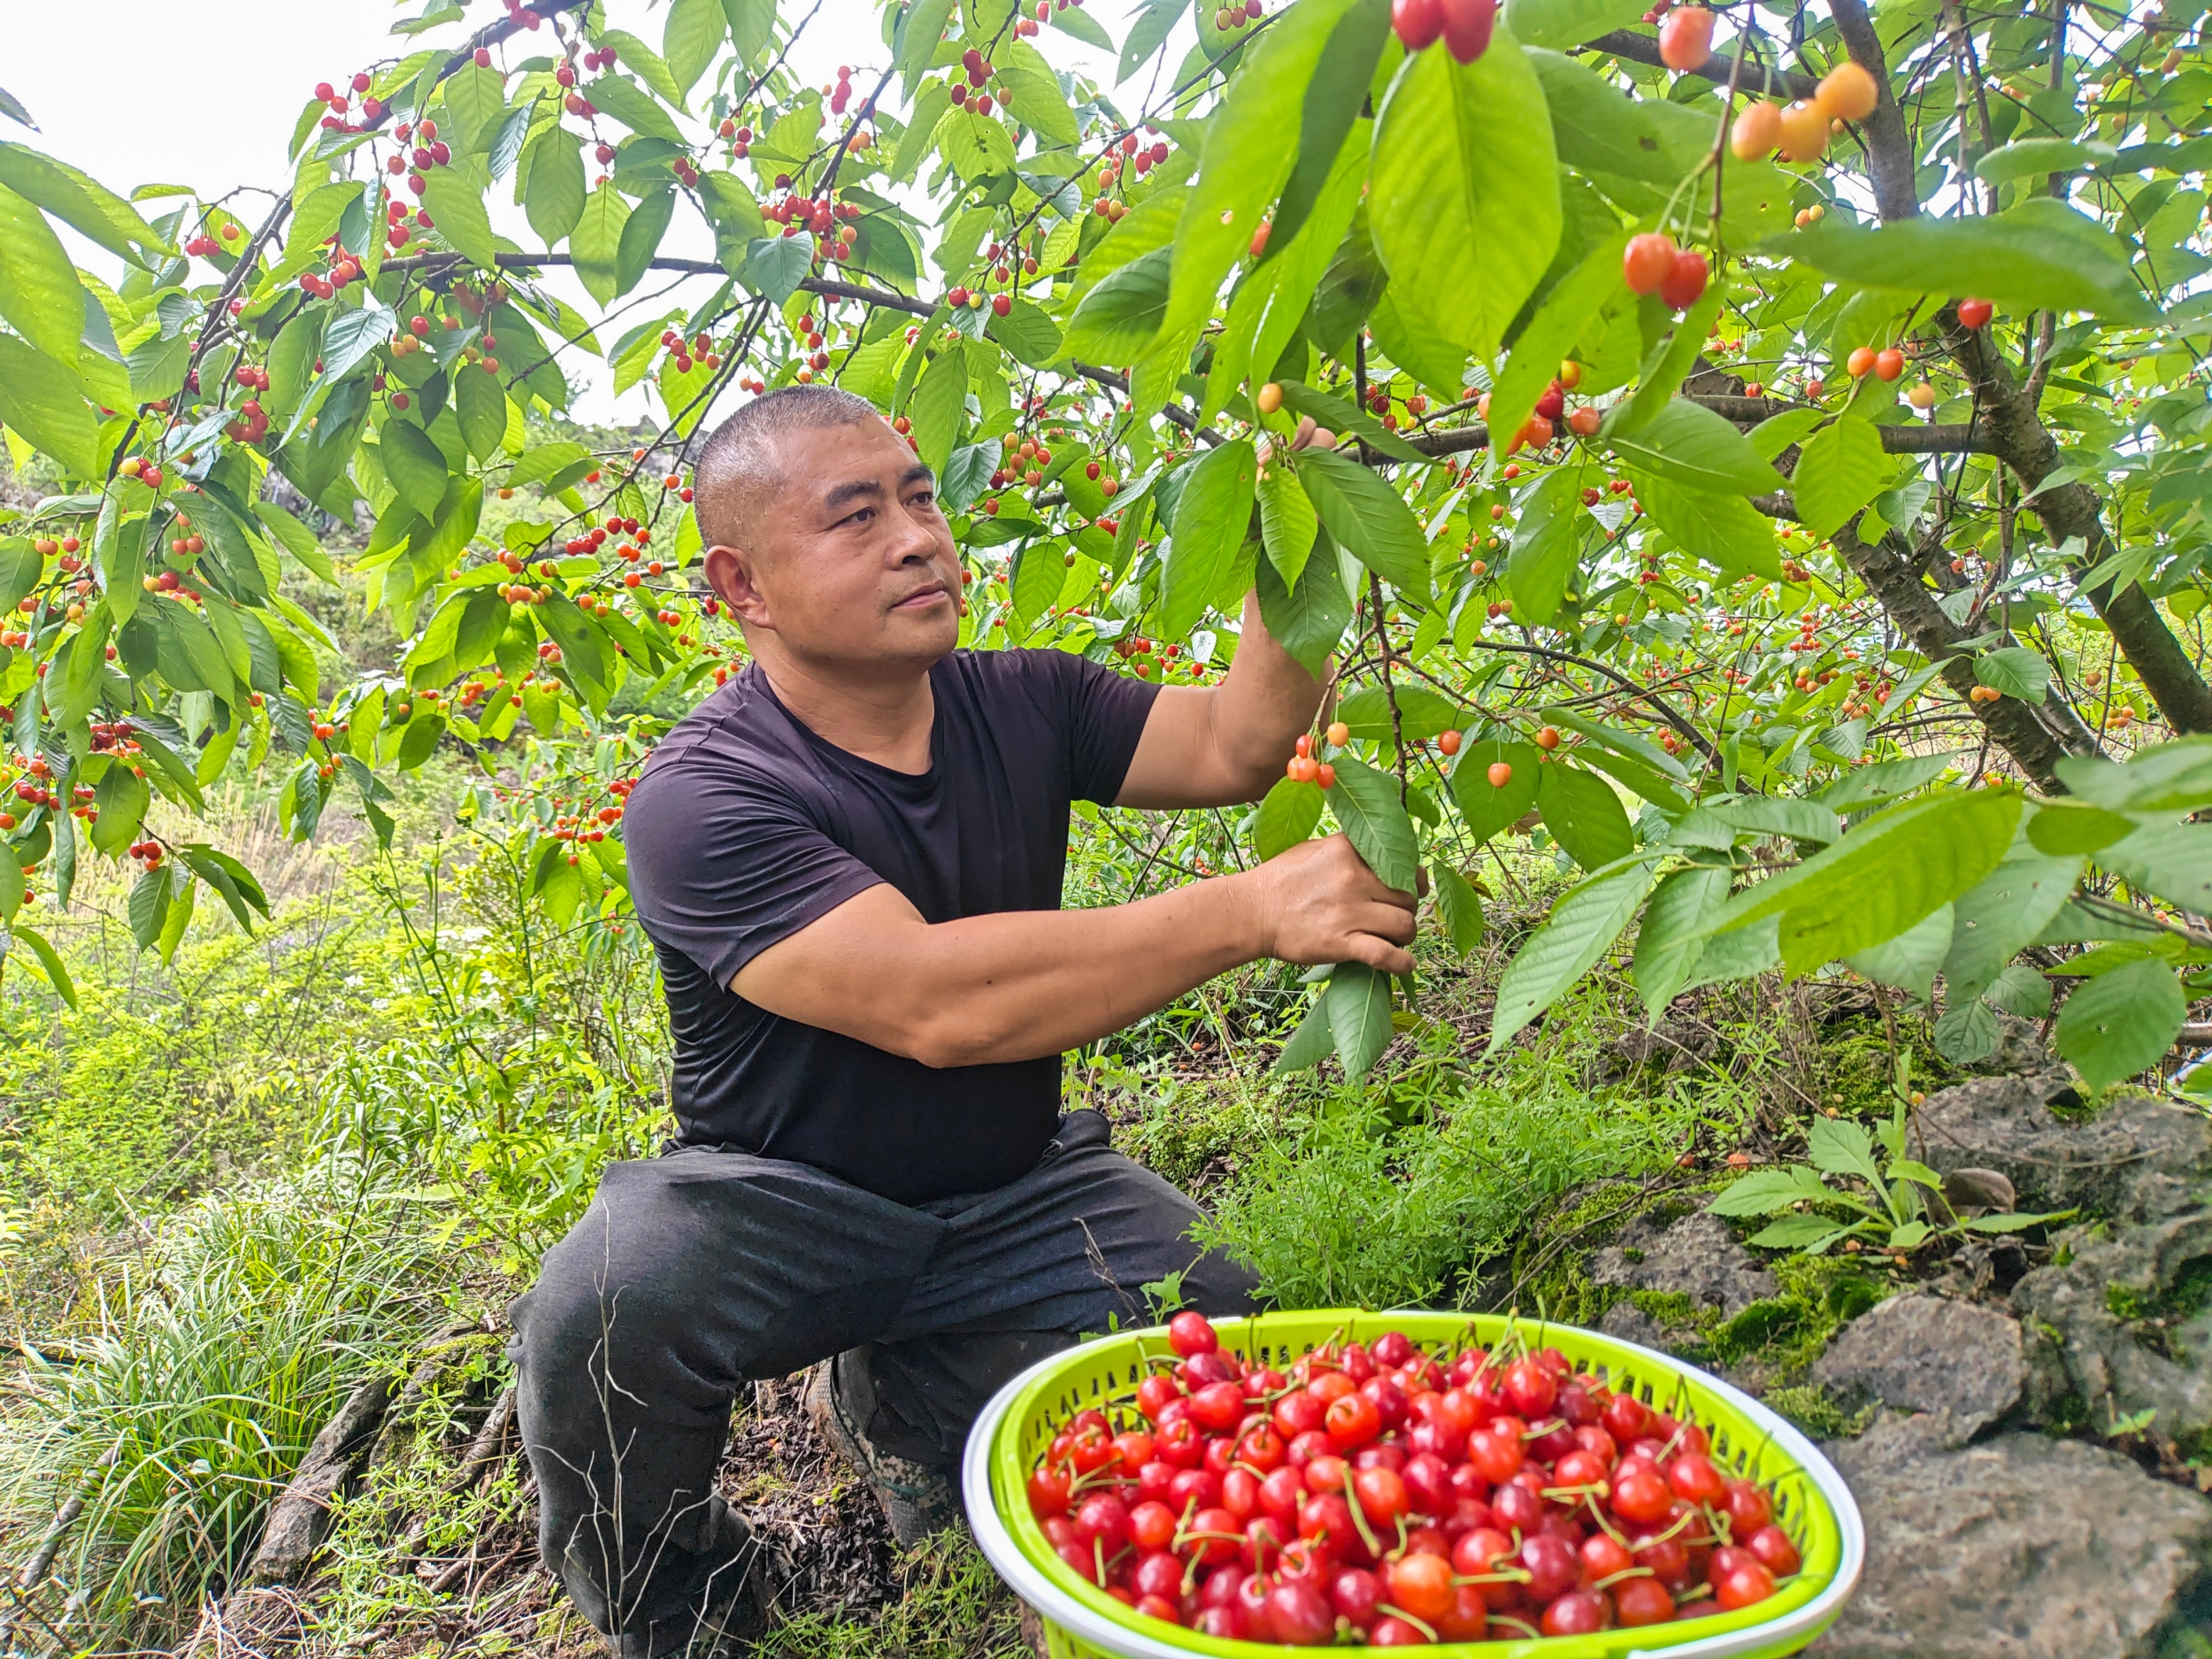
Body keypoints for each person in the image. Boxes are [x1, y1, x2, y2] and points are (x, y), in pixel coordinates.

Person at [506, 386, 1417, 1656]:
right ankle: (696, 1617)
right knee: (603, 1314)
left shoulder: (1026, 701)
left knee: (1232, 1332)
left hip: (1012, 1195)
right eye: (857, 514)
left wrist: (1304, 518)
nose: (920, 536)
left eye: (922, 495)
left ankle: (906, 1399)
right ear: (744, 587)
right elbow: (935, 1001)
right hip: (776, 1205)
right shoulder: (701, 797)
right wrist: (1251, 909)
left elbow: (1235, 746)